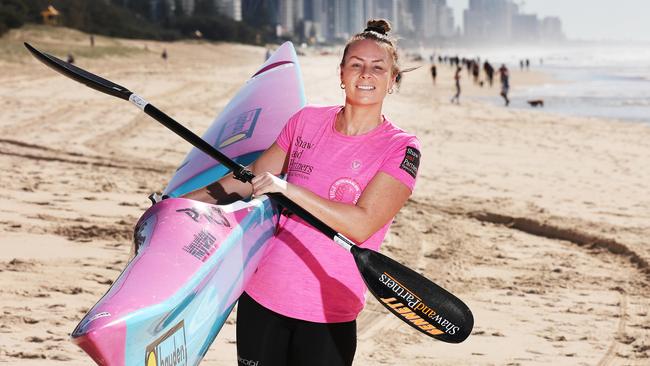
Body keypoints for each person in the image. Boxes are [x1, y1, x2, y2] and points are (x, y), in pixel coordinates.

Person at [184, 18, 420, 366]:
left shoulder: (401, 148)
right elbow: (247, 179)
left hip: (329, 308)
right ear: (341, 73)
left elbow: (361, 225)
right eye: (356, 65)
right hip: (263, 294)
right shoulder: (306, 121)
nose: (365, 74)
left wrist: (287, 189)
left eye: (377, 68)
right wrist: (181, 203)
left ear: (392, 80)